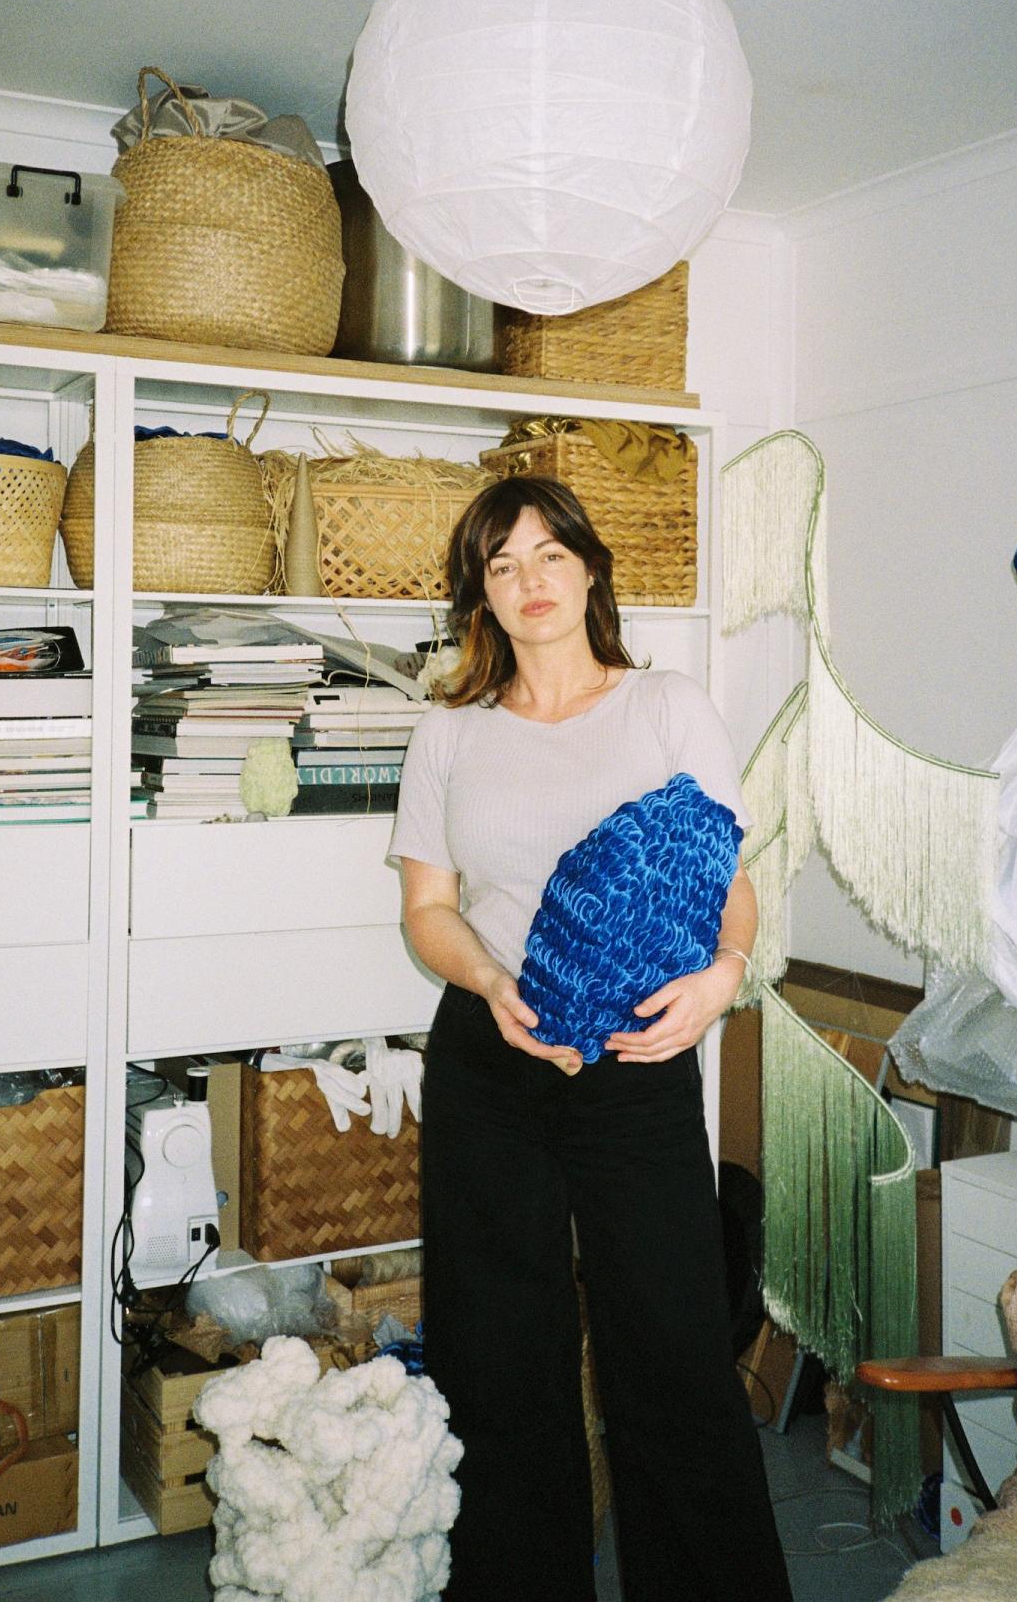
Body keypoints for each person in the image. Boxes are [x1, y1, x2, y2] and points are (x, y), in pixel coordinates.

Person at [389, 475, 792, 1602]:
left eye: (548, 555)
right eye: (502, 563)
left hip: (638, 1058)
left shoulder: (664, 705)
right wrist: (489, 980)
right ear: (480, 590)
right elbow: (429, 908)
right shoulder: (449, 732)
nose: (529, 582)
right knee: (498, 1357)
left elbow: (727, 880)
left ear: (589, 569)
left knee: (669, 1350)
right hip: (491, 1052)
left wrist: (721, 980)